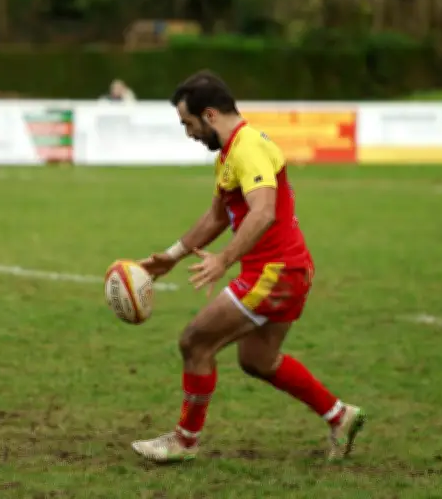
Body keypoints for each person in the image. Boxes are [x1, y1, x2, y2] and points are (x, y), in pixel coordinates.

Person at [133, 70, 365, 463]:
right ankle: (340, 415)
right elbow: (217, 218)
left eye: (188, 124)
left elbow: (264, 212)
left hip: (274, 273)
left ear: (209, 115)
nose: (187, 133)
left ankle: (185, 440)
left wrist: (224, 259)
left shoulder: (248, 148)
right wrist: (171, 256)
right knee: (256, 360)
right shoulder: (230, 153)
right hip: (285, 271)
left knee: (195, 341)